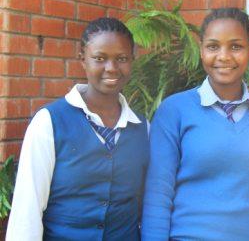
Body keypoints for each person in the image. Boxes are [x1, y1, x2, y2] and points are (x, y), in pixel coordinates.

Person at [141, 8, 249, 240]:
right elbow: (157, 196)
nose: (224, 56)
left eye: (236, 46)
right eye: (213, 46)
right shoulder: (174, 111)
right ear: (201, 50)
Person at [6, 18, 150, 241]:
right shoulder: (49, 123)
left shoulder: (143, 128)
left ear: (132, 60)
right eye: (99, 58)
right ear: (83, 60)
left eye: (121, 59)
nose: (111, 68)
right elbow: (28, 208)